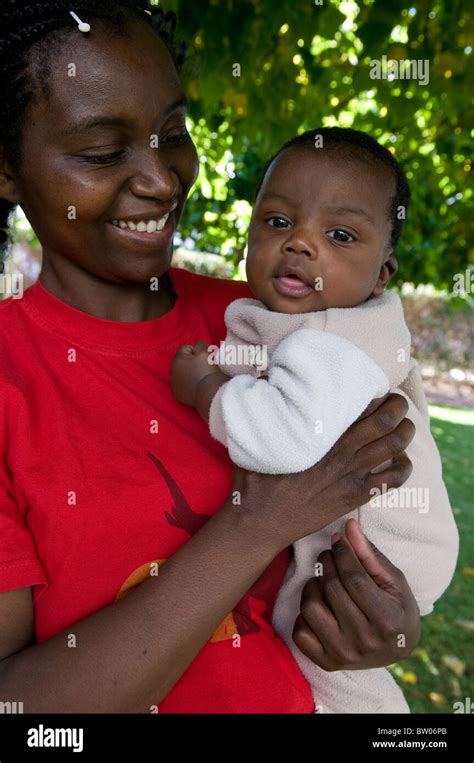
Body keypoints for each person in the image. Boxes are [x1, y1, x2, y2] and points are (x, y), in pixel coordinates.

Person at [0, 1, 418, 713]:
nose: (162, 180)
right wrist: (258, 521)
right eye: (102, 153)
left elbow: (377, 513)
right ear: (7, 170)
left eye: (173, 135)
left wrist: (382, 625)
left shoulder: (280, 322)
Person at [170, 127, 459, 712]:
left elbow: (285, 438)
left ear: (382, 273)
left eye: (340, 234)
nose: (301, 242)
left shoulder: (341, 336)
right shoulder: (319, 320)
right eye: (278, 222)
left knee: (325, 661)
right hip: (351, 540)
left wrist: (204, 389)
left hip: (376, 559)